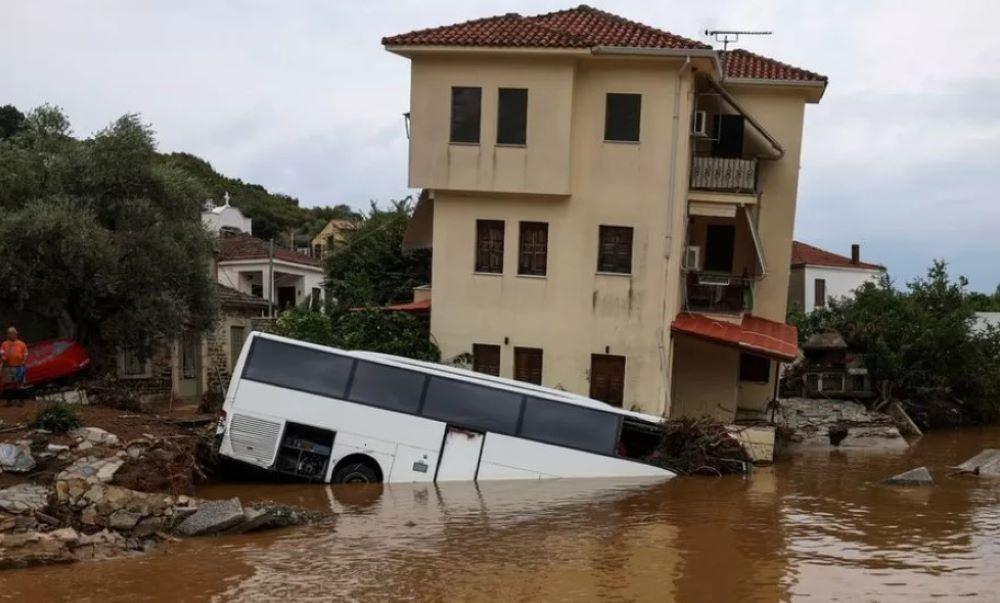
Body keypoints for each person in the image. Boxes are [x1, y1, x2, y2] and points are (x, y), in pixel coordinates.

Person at [0, 327, 28, 392]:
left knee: (20, 385)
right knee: (8, 385)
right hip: (8, 367)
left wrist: (23, 361)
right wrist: (3, 357)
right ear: (8, 335)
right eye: (10, 334)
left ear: (16, 334)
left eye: (14, 333)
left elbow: (25, 353)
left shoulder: (21, 343)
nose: (12, 335)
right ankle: (9, 399)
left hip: (19, 367)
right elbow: (2, 353)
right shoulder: (4, 344)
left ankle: (21, 398)